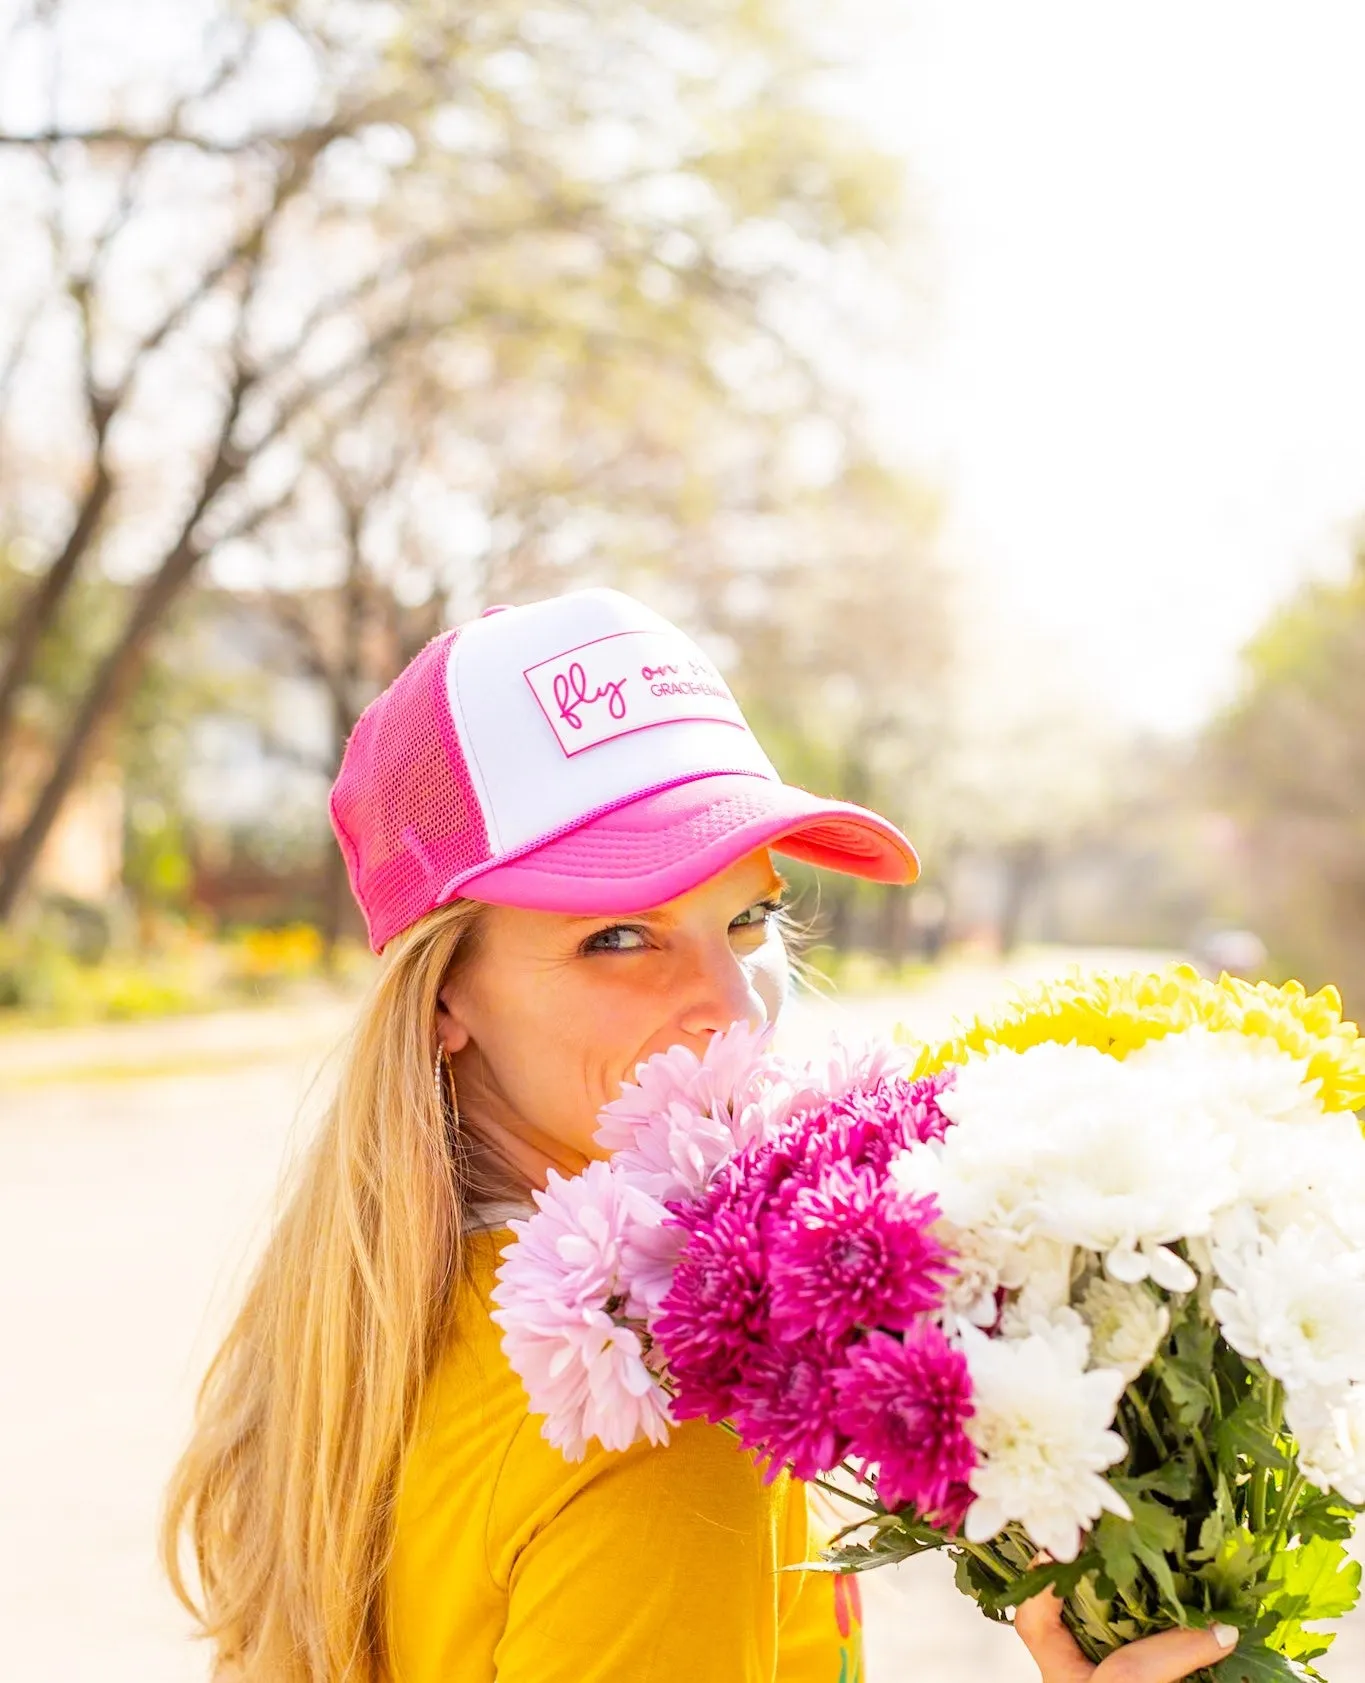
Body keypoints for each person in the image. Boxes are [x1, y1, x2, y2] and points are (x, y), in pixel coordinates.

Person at [163, 588, 1240, 1683]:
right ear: (445, 994)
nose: (733, 1005)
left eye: (750, 917)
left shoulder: (373, 1308)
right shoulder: (646, 1413)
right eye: (620, 935)